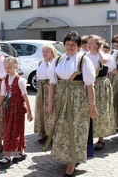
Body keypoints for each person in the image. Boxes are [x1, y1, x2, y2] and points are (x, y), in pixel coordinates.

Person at [44, 31, 97, 177]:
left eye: (73, 45)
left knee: (76, 129)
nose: (70, 47)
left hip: (78, 100)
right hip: (61, 98)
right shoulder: (58, 59)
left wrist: (92, 105)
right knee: (62, 128)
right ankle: (65, 156)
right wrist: (50, 103)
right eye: (67, 44)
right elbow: (52, 83)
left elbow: (89, 84)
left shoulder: (83, 60)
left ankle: (72, 161)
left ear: (79, 46)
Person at [0, 56, 33, 168]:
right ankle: (20, 152)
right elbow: (2, 95)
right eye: (5, 67)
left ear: (15, 66)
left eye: (9, 67)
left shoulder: (20, 80)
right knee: (11, 129)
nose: (7, 70)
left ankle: (8, 155)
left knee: (14, 130)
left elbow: (25, 96)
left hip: (18, 108)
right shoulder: (4, 80)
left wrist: (30, 111)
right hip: (9, 108)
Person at [34, 44, 57, 144]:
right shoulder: (40, 63)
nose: (44, 53)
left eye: (47, 51)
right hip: (42, 87)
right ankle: (41, 132)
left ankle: (50, 133)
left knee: (50, 111)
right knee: (40, 110)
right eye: (43, 51)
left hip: (50, 87)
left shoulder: (55, 62)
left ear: (52, 52)